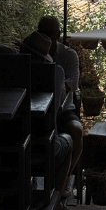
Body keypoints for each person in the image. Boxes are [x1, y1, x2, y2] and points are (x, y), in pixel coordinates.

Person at [19, 30, 73, 210]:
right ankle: (56, 202)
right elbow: (57, 108)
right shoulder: (56, 72)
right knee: (69, 140)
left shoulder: (12, 69)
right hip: (44, 143)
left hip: (15, 141)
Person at [37, 15, 83, 185]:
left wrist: (54, 84)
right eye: (44, 33)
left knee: (77, 131)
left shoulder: (69, 55)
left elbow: (73, 83)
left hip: (64, 109)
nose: (48, 36)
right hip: (41, 108)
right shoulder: (33, 54)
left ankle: (64, 179)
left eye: (51, 33)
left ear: (58, 34)